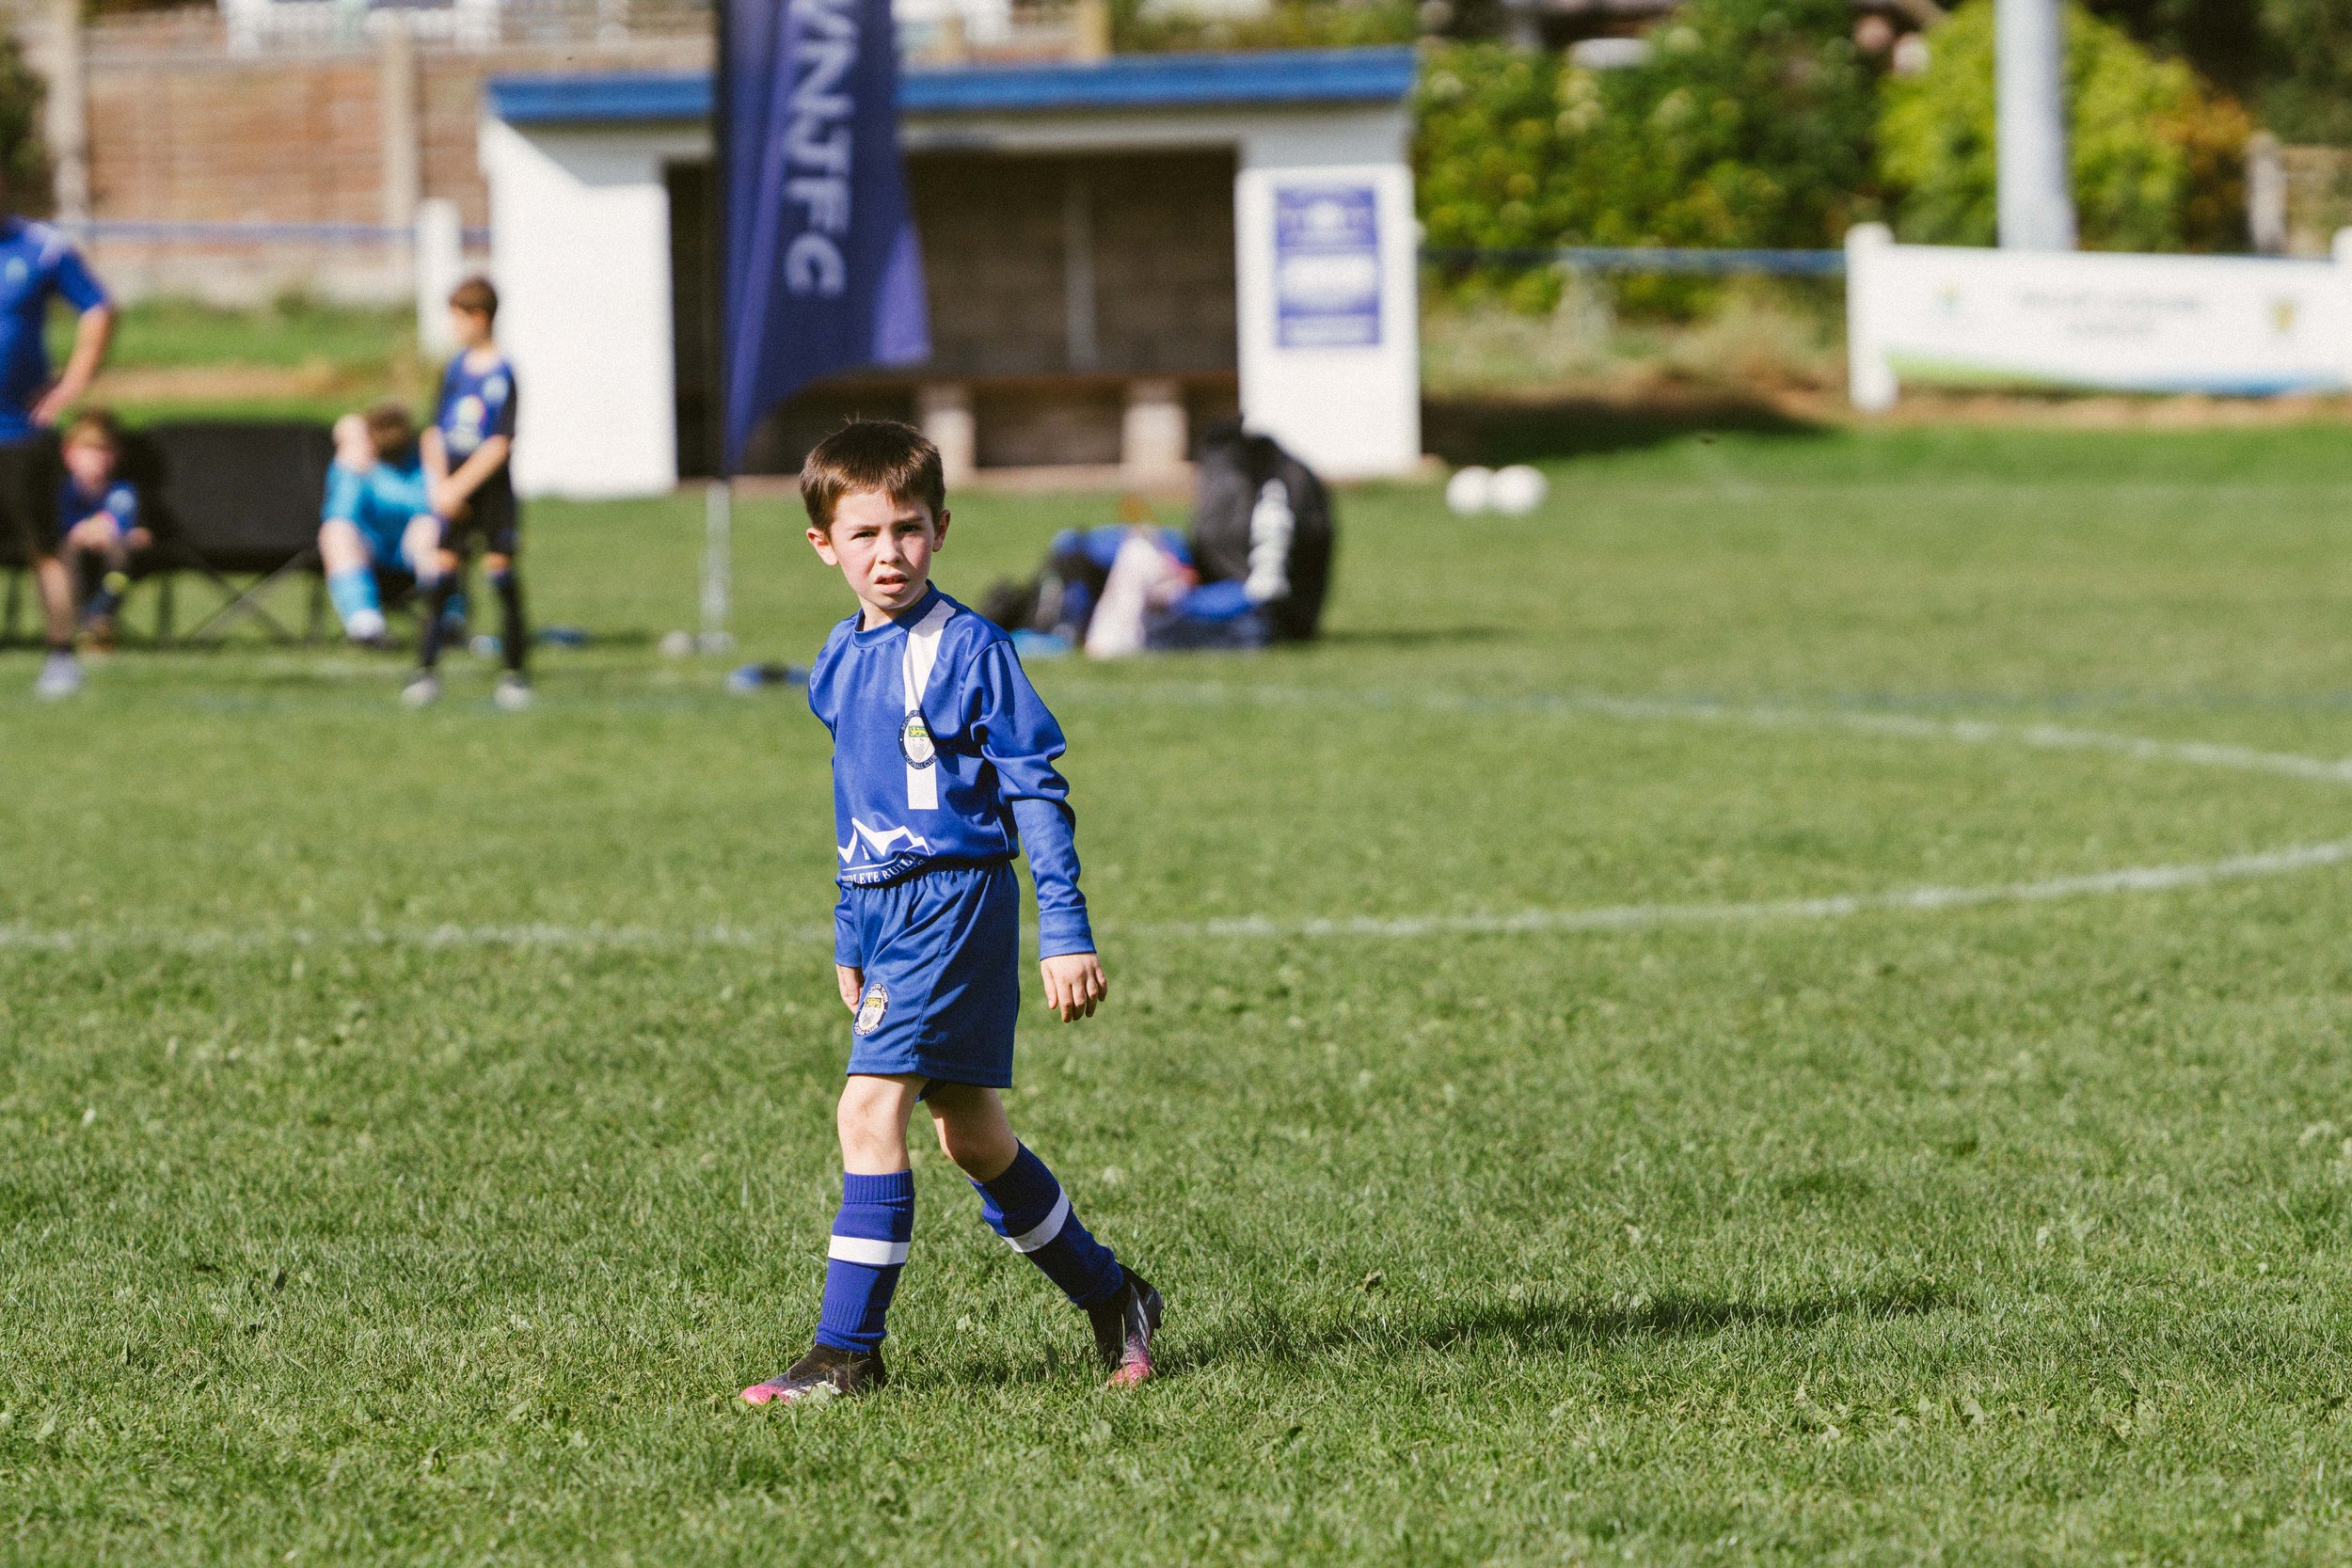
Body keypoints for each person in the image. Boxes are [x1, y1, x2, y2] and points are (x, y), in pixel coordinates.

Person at [738, 419, 1161, 1409]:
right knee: (970, 1134)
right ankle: (1117, 1296)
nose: (890, 553)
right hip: (886, 910)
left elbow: (1037, 793)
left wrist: (1065, 928)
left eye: (911, 528)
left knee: (866, 1106)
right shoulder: (837, 659)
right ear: (822, 544)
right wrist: (850, 930)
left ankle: (846, 1351)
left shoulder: (973, 648)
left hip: (956, 900)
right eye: (866, 533)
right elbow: (857, 802)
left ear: (942, 528)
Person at [0, 180, 113, 699]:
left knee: (44, 545)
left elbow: (98, 307)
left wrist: (70, 386)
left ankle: (61, 656)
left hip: (22, 432)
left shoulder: (41, 247)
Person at [408, 276, 528, 711]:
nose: (453, 327)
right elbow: (434, 430)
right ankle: (425, 670)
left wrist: (461, 485)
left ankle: (515, 673)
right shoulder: (455, 370)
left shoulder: (504, 374)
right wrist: (442, 486)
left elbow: (500, 442)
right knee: (441, 578)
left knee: (501, 576)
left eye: (458, 317)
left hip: (489, 492)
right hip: (451, 492)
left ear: (480, 318)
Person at [318, 404, 443, 648]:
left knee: (429, 525)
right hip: (370, 549)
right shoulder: (354, 462)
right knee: (336, 532)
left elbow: (434, 506)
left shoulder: (423, 459)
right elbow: (341, 513)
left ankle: (444, 618)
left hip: (415, 549)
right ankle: (365, 626)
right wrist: (353, 472)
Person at [52, 409, 148, 650]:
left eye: (105, 452)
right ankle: (79, 619)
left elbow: (122, 520)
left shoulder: (122, 491)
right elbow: (60, 522)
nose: (98, 459)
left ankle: (100, 617)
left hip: (112, 551)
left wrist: (111, 532)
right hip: (72, 549)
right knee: (66, 550)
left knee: (122, 554)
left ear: (117, 455)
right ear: (69, 454)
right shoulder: (63, 490)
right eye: (89, 452)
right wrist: (80, 532)